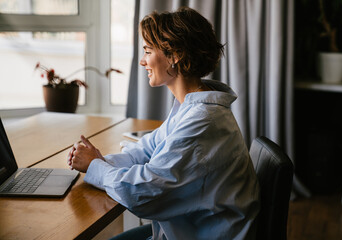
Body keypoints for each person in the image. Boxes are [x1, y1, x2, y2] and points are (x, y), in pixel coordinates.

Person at [68, 7, 260, 240]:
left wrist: (96, 167)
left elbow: (142, 194)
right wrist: (99, 161)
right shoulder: (190, 107)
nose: (142, 61)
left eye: (148, 51)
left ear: (175, 54)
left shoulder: (203, 123)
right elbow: (146, 149)